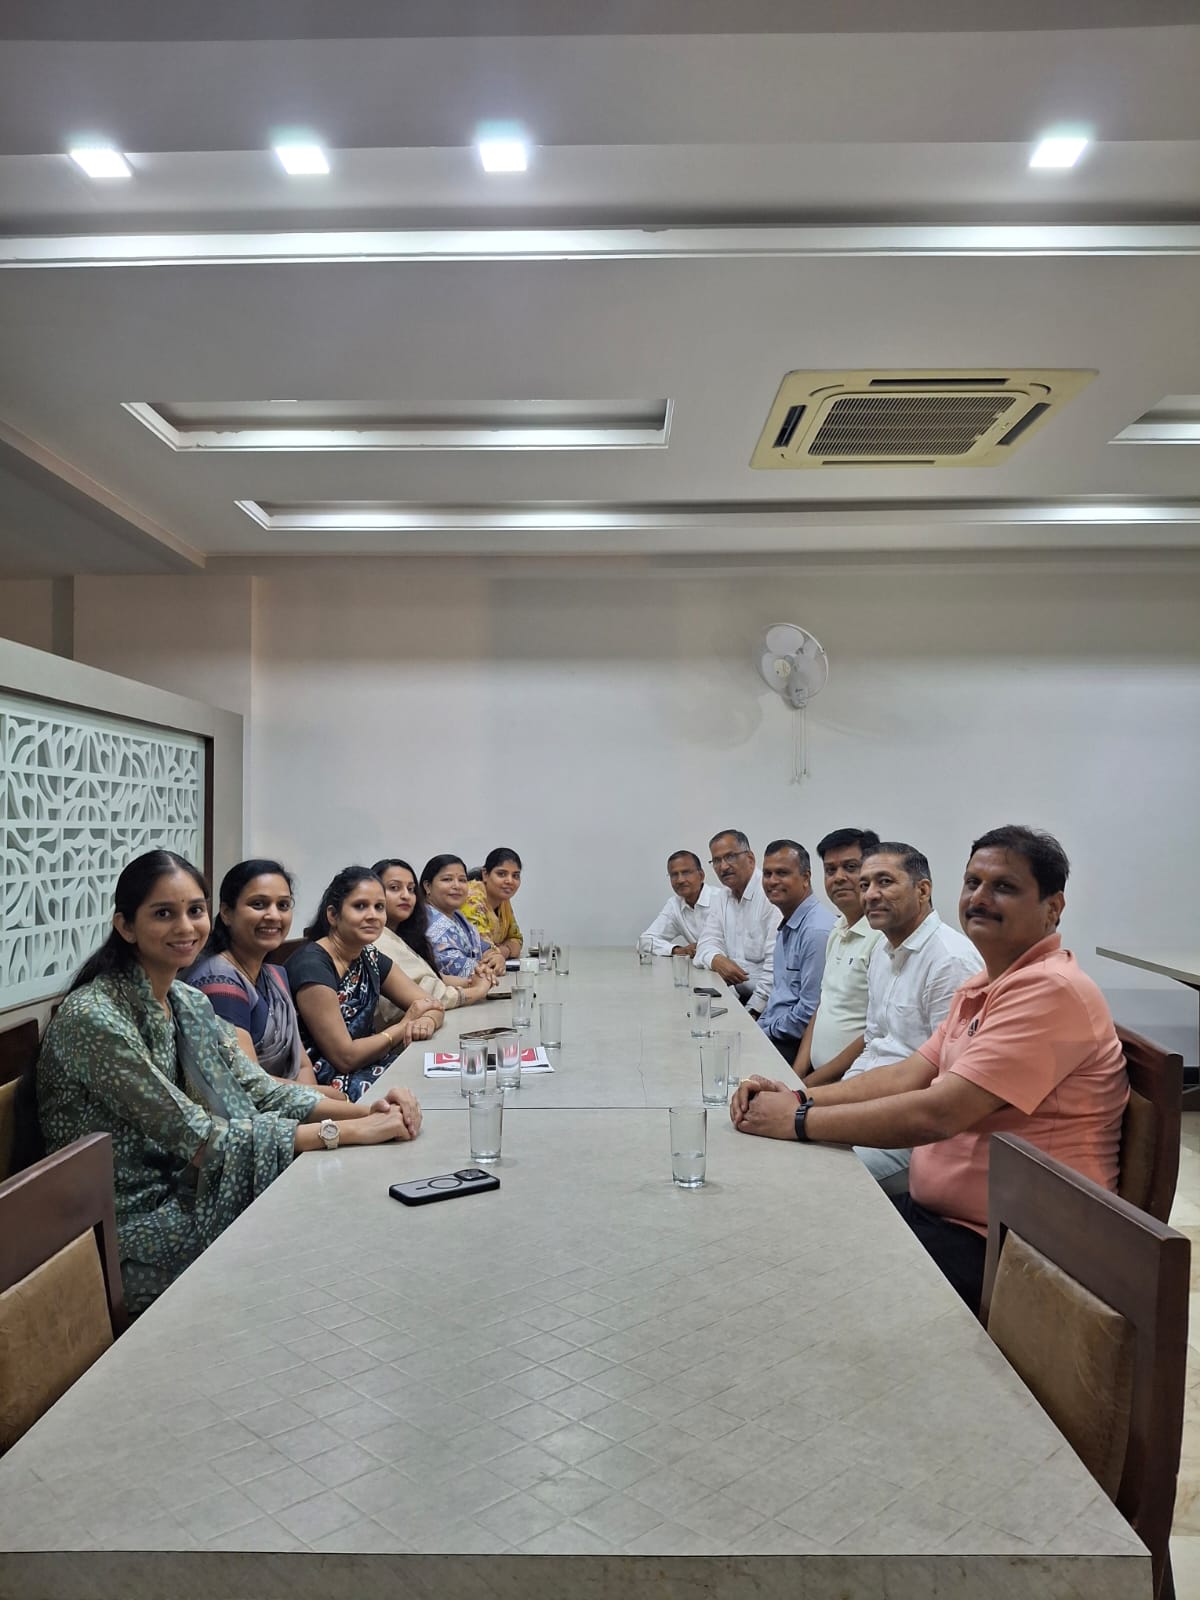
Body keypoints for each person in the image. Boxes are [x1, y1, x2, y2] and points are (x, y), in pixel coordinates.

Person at [731, 826, 1129, 1313]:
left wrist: (797, 1121)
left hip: (1011, 1246)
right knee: (791, 1242)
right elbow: (907, 1074)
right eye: (973, 883)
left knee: (808, 1279)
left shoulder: (1050, 990)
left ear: (1053, 907)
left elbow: (939, 1114)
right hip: (947, 1219)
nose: (979, 898)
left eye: (1004, 887)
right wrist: (797, 1097)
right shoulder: (985, 984)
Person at [36, 850, 423, 1316]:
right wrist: (343, 1132)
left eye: (193, 911)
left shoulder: (184, 1000)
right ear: (126, 926)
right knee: (307, 1245)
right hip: (124, 1223)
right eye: (164, 914)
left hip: (185, 1187)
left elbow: (258, 1087)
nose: (185, 927)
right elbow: (199, 1137)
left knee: (333, 1210)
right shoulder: (96, 1017)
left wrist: (370, 1112)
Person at [803, 841, 982, 1191]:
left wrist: (831, 1112)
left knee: (819, 1179)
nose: (870, 894)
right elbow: (873, 1047)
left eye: (884, 882)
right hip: (871, 1104)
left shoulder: (950, 961)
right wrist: (835, 1101)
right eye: (865, 884)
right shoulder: (883, 953)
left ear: (923, 890)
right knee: (786, 1146)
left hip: (913, 1130)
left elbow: (943, 1083)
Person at [288, 866, 444, 1101]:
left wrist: (426, 1021)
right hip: (328, 1085)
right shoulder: (312, 965)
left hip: (370, 1064)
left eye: (379, 907)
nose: (373, 915)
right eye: (360, 906)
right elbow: (345, 1058)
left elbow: (431, 1005)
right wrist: (404, 1025)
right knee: (423, 1094)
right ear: (333, 915)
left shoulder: (368, 956)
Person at [185, 858, 325, 1088]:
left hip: (295, 1100)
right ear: (227, 913)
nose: (274, 915)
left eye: (283, 905)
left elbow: (302, 1066)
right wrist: (331, 1100)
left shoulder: (276, 976)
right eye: (258, 904)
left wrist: (319, 1099)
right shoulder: (219, 981)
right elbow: (250, 1084)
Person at [792, 828, 882, 1079]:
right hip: (816, 1078)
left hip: (851, 1081)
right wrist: (796, 1076)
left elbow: (874, 1034)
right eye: (830, 870)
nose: (838, 877)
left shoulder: (883, 939)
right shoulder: (837, 929)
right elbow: (823, 1005)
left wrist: (807, 1087)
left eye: (850, 867)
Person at [371, 858, 494, 1023]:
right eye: (394, 888)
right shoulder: (376, 939)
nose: (406, 895)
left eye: (411, 889)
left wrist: (473, 978)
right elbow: (426, 995)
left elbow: (430, 976)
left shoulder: (408, 931)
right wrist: (477, 989)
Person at [757, 840, 836, 1061]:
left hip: (794, 1043)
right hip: (775, 1029)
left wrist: (763, 1032)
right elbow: (780, 996)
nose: (772, 881)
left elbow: (809, 1011)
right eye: (767, 874)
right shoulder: (788, 923)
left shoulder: (816, 931)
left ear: (805, 877)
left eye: (782, 873)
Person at [693, 829, 779, 1013]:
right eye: (716, 860)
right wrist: (716, 959)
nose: (723, 867)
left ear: (750, 858)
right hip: (736, 997)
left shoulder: (771, 894)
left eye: (730, 857)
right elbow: (705, 943)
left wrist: (752, 1012)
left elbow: (776, 969)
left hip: (769, 1005)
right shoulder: (722, 897)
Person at [421, 854, 507, 984]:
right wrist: (487, 968)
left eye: (462, 880)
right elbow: (452, 966)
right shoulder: (428, 921)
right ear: (428, 886)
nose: (457, 886)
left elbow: (482, 947)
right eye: (447, 879)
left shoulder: (457, 916)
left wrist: (496, 957)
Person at [638, 850, 714, 957]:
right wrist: (677, 950)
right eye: (674, 875)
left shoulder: (721, 900)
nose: (680, 880)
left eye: (686, 873)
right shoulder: (675, 905)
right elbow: (645, 941)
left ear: (701, 875)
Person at [462, 848, 524, 960]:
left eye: (515, 876)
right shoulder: (471, 899)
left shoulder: (503, 900)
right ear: (485, 874)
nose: (510, 881)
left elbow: (517, 939)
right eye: (501, 874)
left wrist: (504, 950)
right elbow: (482, 950)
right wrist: (506, 950)